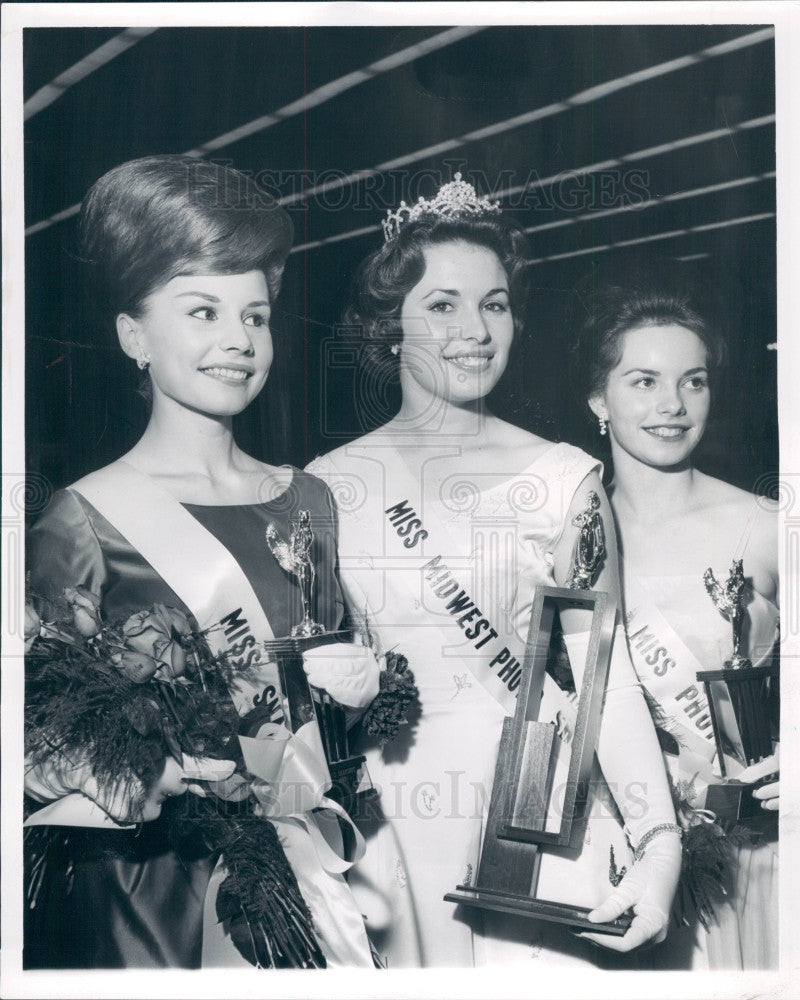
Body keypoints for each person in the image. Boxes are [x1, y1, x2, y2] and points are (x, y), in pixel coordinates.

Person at [306, 176, 682, 967]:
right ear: (388, 327)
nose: (475, 329)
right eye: (442, 304)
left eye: (495, 302)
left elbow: (599, 682)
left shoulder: (562, 479)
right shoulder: (326, 485)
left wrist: (657, 844)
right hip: (389, 820)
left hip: (531, 809)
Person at [24, 155, 378, 969]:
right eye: (202, 311)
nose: (236, 340)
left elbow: (334, 734)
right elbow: (34, 733)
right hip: (151, 900)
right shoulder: (81, 520)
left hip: (298, 872)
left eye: (254, 318)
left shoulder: (308, 501)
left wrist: (356, 690)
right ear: (132, 336)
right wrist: (145, 768)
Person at [578, 270, 779, 969]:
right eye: (643, 381)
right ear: (596, 398)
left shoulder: (765, 527)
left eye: (692, 381)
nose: (672, 404)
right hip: (625, 856)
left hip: (757, 862)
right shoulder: (568, 539)